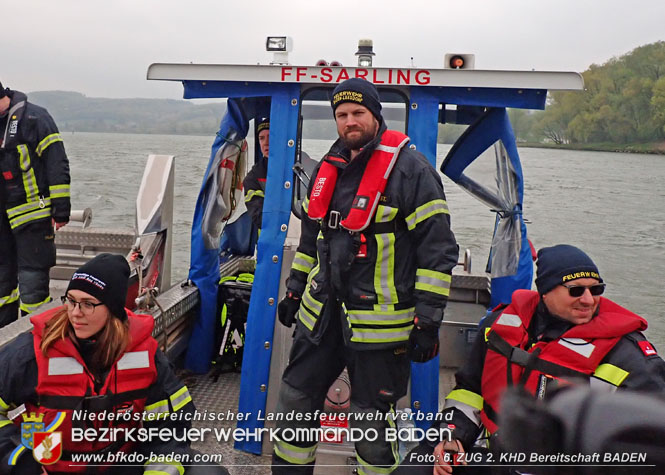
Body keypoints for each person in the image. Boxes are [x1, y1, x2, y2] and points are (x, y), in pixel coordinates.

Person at [272, 78, 459, 474]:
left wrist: (428, 320)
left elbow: (438, 249)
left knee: (371, 422)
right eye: (341, 115)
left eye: (358, 113)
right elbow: (312, 237)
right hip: (320, 316)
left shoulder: (412, 170)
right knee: (294, 402)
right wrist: (293, 289)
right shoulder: (329, 166)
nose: (349, 122)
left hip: (380, 326)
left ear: (375, 115)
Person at [396, 244, 665, 474]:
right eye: (575, 290)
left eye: (596, 290)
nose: (588, 300)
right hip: (496, 459)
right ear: (545, 291)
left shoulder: (628, 355)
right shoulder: (499, 327)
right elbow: (470, 390)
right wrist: (453, 435)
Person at [0, 253, 229, 474]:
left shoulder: (146, 356)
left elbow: (169, 429)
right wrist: (20, 462)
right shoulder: (33, 351)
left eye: (88, 304)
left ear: (112, 310)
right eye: (71, 301)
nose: (75, 313)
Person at [0, 81, 71, 327]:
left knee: (32, 283)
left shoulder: (35, 118)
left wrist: (61, 210)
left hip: (33, 214)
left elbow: (56, 161)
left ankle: (35, 338)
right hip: (2, 218)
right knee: (1, 284)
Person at [242, 117, 270, 230]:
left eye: (270, 136)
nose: (266, 143)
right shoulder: (253, 178)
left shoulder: (304, 164)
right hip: (270, 241)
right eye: (261, 138)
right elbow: (260, 218)